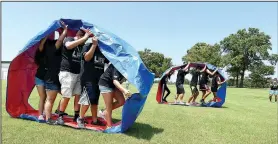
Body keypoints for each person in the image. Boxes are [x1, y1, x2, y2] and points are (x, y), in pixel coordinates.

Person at [56, 28, 93, 125]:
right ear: (80, 36)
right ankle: (60, 116)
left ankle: (76, 116)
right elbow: (68, 46)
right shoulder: (69, 39)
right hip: (67, 72)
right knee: (67, 95)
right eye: (85, 39)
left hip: (78, 74)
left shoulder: (82, 46)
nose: (85, 41)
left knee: (78, 95)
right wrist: (85, 37)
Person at [76, 37, 109, 128]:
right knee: (86, 100)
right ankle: (80, 118)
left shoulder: (102, 51)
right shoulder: (88, 46)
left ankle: (95, 120)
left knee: (94, 101)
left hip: (98, 80)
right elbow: (87, 58)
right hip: (88, 78)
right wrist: (94, 45)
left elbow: (109, 61)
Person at [42, 21, 68, 124]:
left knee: (66, 94)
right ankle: (48, 119)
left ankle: (57, 111)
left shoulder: (55, 50)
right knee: (50, 99)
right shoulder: (52, 49)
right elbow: (60, 40)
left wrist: (62, 31)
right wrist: (65, 30)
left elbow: (62, 41)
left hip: (57, 78)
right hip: (51, 78)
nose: (59, 42)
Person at [98, 64, 131, 129]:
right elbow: (115, 81)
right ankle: (109, 126)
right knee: (109, 106)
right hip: (105, 84)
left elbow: (119, 81)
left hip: (113, 86)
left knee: (121, 101)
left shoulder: (127, 68)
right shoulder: (117, 65)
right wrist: (124, 90)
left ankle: (103, 112)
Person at [34, 40, 47, 121]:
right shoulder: (40, 53)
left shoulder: (51, 53)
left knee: (48, 97)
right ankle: (40, 115)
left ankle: (45, 111)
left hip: (49, 78)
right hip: (40, 77)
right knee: (43, 96)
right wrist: (46, 36)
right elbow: (41, 45)